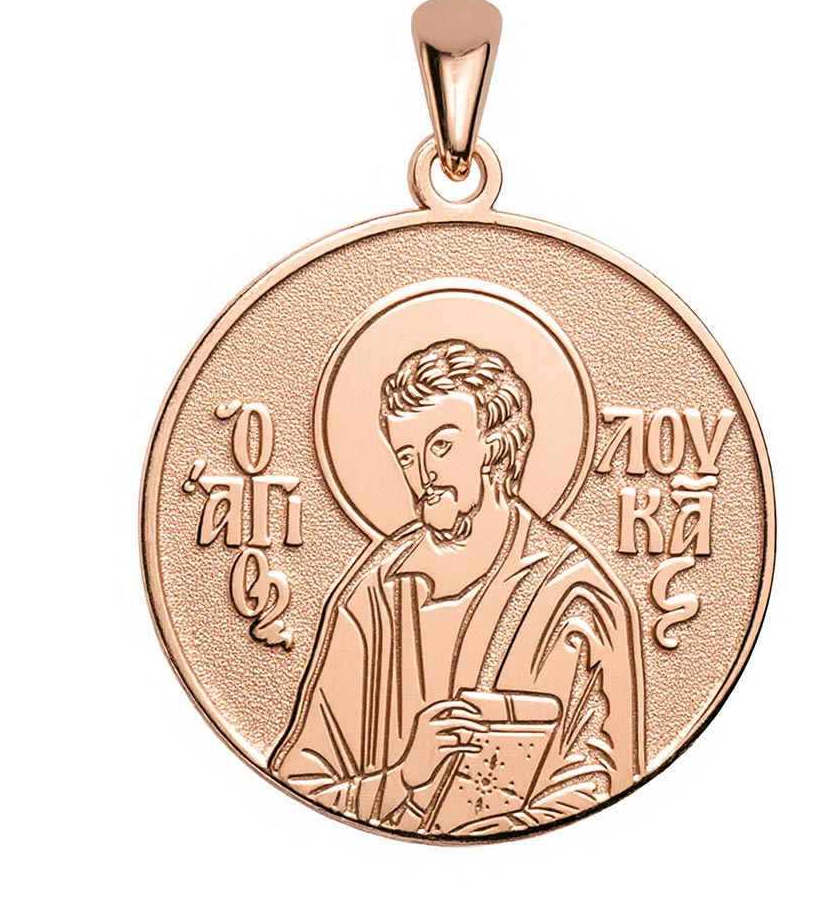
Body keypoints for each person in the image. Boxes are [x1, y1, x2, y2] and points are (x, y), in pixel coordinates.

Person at [272, 340, 643, 836]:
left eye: (442, 446)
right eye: (406, 456)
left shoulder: (576, 596)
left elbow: (603, 786)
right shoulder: (376, 594)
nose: (423, 473)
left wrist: (483, 844)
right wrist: (403, 777)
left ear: (495, 446)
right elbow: (299, 785)